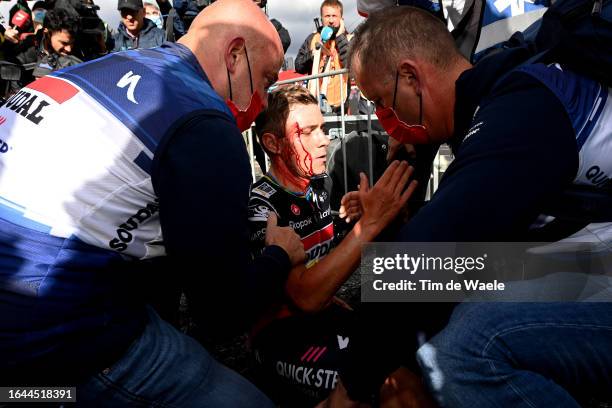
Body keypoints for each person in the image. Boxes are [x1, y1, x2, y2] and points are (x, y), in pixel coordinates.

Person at [0, 0, 305, 406]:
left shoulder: (108, 65)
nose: (265, 102)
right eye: (265, 81)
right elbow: (220, 312)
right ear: (235, 55)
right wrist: (279, 256)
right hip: (47, 338)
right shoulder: (202, 119)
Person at [321, 5, 612, 407]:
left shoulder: (521, 109)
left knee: (457, 353)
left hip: (599, 265)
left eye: (383, 103)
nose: (385, 122)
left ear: (411, 78)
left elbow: (422, 259)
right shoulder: (496, 94)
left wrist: (350, 387)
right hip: (592, 259)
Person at [248, 84, 421, 406]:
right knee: (398, 388)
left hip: (324, 320)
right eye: (308, 131)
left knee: (419, 360)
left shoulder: (313, 189)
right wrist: (369, 226)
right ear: (272, 143)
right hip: (280, 336)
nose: (325, 139)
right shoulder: (261, 204)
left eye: (324, 128)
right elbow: (306, 296)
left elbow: (325, 271)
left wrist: (362, 222)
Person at [294, 0, 351, 111]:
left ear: (341, 19)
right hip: (315, 104)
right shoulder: (312, 38)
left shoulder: (349, 39)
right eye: (327, 16)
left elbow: (351, 65)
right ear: (321, 19)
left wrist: (340, 36)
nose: (330, 20)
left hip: (340, 107)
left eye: (334, 16)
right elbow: (298, 66)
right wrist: (313, 54)